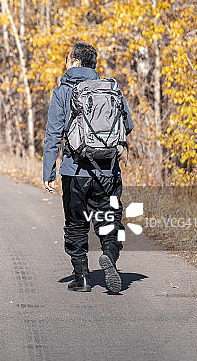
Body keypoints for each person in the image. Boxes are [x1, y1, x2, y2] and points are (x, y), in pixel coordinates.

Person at [42, 42, 134, 293]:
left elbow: (53, 135)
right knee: (110, 219)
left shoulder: (62, 92)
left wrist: (48, 172)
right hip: (109, 170)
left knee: (75, 224)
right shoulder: (111, 89)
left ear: (76, 62)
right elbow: (128, 126)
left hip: (74, 171)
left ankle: (82, 277)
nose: (65, 62)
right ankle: (109, 256)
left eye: (67, 58)